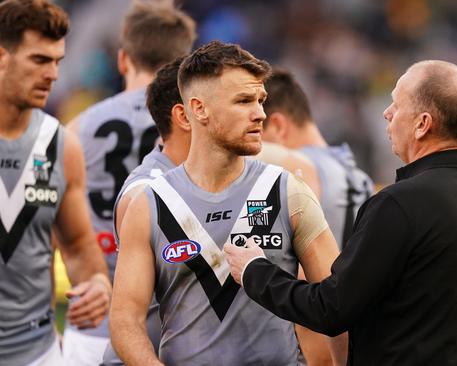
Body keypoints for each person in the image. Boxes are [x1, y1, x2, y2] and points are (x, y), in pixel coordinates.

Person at [225, 60, 457, 365]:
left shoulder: (400, 204)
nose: (387, 114)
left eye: (396, 104)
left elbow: (330, 309)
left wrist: (255, 271)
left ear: (422, 124)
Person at [110, 40, 346, 365]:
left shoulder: (289, 191)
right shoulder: (149, 203)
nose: (260, 113)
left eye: (261, 100)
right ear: (198, 109)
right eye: (244, 101)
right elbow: (126, 320)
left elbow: (337, 304)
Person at [64, 2, 195, 364]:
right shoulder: (196, 122)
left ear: (123, 60)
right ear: (185, 64)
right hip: (173, 320)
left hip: (96, 310)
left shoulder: (78, 128)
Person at [0, 1, 111, 365]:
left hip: (39, 353)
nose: (53, 75)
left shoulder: (61, 146)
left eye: (57, 61)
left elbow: (79, 246)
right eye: (39, 60)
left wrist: (96, 282)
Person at [261, 68, 372, 365]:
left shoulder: (295, 170)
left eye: (257, 129)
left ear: (278, 125)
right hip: (361, 332)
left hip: (321, 341)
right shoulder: (356, 173)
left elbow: (308, 284)